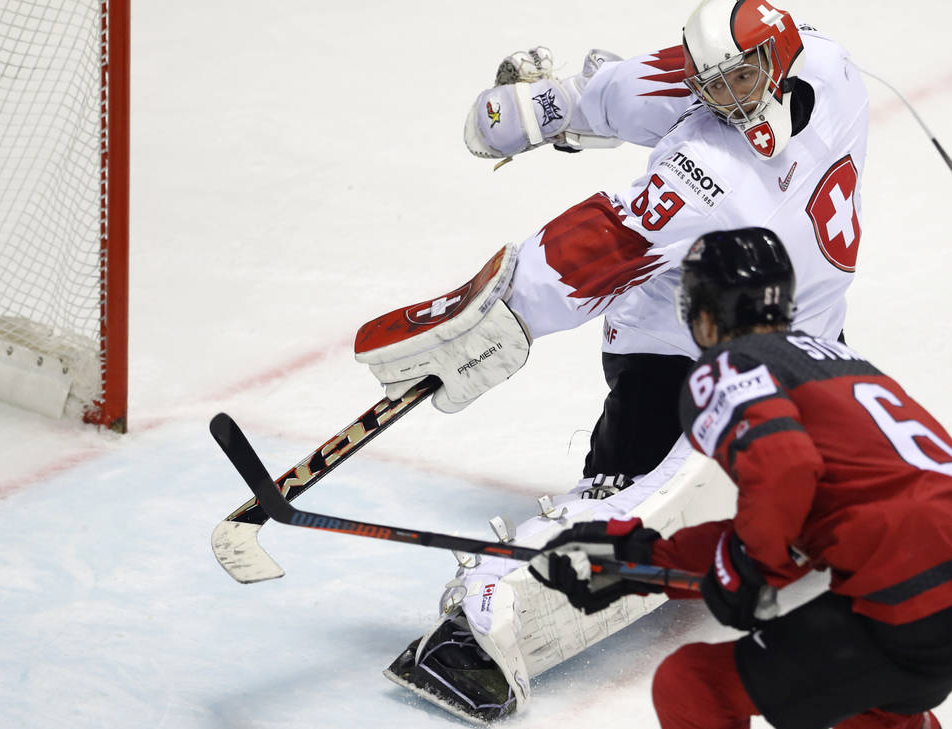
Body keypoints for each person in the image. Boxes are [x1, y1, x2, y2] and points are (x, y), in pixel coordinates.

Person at [355, 0, 870, 721]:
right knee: (640, 496)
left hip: (798, 347)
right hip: (683, 349)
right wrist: (496, 316)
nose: (727, 96)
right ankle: (480, 626)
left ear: (780, 58)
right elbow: (596, 245)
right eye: (712, 83)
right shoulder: (806, 85)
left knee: (822, 495)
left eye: (743, 76)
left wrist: (558, 104)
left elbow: (652, 85)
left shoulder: (818, 72)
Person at [529, 227, 952, 729]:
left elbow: (784, 468)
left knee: (694, 684)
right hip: (920, 598)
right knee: (870, 700)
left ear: (703, 312)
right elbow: (790, 527)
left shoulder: (731, 367)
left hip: (910, 590)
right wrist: (639, 562)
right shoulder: (848, 365)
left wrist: (744, 568)